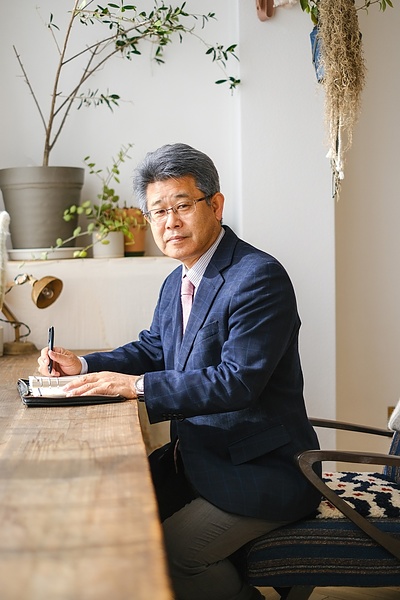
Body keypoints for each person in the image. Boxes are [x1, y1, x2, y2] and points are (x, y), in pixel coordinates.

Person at [38, 143, 321, 600]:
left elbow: (237, 381)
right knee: (111, 516)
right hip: (198, 458)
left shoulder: (258, 276)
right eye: (158, 211)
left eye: (183, 206)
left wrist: (136, 387)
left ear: (216, 205)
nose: (170, 222)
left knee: (171, 555)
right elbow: (155, 347)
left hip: (260, 470)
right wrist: (85, 365)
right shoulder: (178, 279)